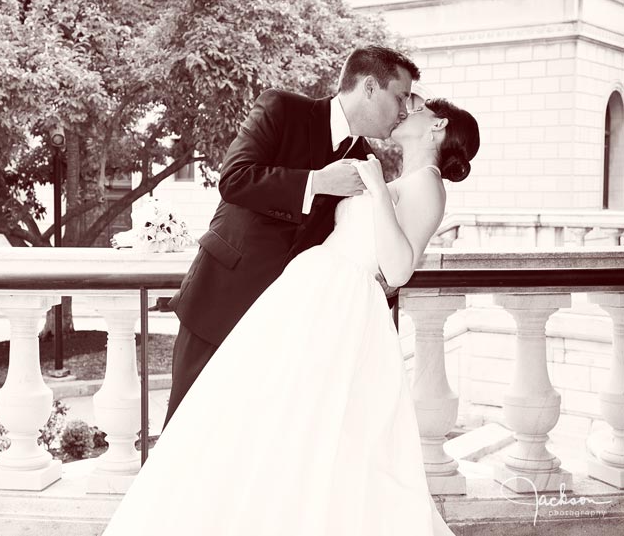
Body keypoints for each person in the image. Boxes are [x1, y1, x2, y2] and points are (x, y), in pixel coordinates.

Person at [102, 97, 480, 535]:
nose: (403, 110)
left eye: (413, 106)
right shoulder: (386, 168)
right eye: (401, 99)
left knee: (323, 427)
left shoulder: (428, 185)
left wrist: (376, 191)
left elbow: (397, 269)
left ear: (438, 125)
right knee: (268, 415)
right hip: (308, 293)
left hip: (343, 306)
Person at [164, 46, 420, 426]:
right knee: (186, 431)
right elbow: (234, 179)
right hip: (222, 300)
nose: (403, 110)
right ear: (369, 87)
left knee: (246, 440)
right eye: (400, 96)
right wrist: (317, 183)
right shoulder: (282, 109)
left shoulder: (369, 163)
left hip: (286, 327)